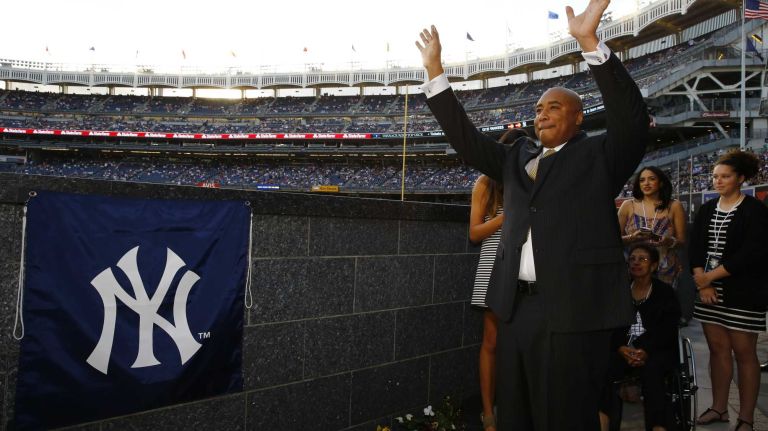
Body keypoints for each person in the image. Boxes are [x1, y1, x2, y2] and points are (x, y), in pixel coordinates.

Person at [415, 0, 649, 428]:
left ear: (579, 119)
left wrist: (590, 44)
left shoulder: (599, 156)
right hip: (515, 307)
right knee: (517, 411)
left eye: (554, 107)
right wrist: (435, 72)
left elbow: (633, 122)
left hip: (576, 310)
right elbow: (467, 141)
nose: (541, 113)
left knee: (565, 414)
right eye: (538, 109)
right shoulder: (516, 157)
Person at [690, 150, 768, 431]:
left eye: (724, 177)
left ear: (741, 179)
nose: (718, 181)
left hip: (742, 292)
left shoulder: (754, 210)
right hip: (709, 291)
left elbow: (753, 252)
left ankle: (746, 417)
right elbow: (696, 246)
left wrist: (710, 276)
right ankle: (719, 408)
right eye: (715, 177)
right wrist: (704, 281)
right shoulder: (708, 208)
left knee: (744, 352)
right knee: (717, 350)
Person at [469, 129, 528, 431]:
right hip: (493, 265)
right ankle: (488, 414)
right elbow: (474, 233)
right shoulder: (485, 183)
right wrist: (509, 216)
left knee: (522, 343)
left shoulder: (533, 181)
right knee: (491, 342)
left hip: (526, 268)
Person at [599, 243, 681, 431]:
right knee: (604, 368)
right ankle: (603, 422)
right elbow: (610, 326)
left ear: (653, 266)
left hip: (655, 350)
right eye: (633, 259)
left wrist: (645, 350)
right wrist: (620, 347)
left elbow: (667, 330)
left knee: (653, 372)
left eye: (642, 259)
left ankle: (658, 426)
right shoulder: (620, 291)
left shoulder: (665, 293)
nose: (636, 263)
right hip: (623, 350)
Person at [618, 166, 686, 286]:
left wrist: (668, 241)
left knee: (661, 303)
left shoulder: (674, 206)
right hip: (633, 269)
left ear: (660, 183)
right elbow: (614, 240)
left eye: (652, 179)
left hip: (665, 271)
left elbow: (682, 242)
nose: (646, 183)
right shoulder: (628, 205)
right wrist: (631, 238)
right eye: (642, 180)